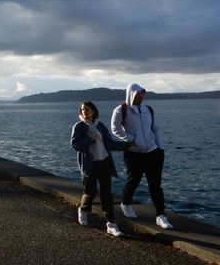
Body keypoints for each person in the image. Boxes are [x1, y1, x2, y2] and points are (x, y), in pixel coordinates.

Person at [111, 83, 174, 230]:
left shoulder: (148, 110)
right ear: (131, 94)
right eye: (139, 93)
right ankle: (125, 204)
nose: (141, 96)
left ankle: (160, 215)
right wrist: (132, 139)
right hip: (134, 153)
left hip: (153, 152)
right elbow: (115, 129)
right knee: (133, 180)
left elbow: (155, 129)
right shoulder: (121, 110)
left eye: (143, 93)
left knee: (155, 186)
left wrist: (161, 148)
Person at [71, 101, 132, 237]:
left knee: (107, 194)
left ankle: (111, 224)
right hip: (89, 165)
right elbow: (75, 145)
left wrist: (128, 145)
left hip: (104, 162)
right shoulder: (79, 127)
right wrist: (89, 139)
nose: (84, 111)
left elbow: (110, 143)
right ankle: (83, 210)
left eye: (87, 109)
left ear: (93, 111)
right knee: (90, 191)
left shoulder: (101, 126)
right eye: (82, 110)